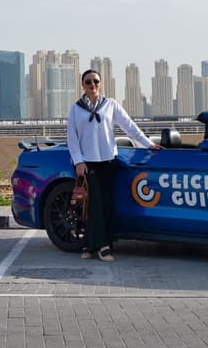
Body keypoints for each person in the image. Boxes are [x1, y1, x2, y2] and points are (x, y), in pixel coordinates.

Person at [66, 69, 160, 261]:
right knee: (93, 205)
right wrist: (78, 161)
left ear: (101, 83)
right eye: (88, 82)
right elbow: (72, 137)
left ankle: (98, 244)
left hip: (108, 161)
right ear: (83, 85)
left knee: (107, 203)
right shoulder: (76, 109)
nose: (92, 85)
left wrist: (147, 143)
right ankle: (100, 246)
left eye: (96, 81)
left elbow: (129, 126)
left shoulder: (110, 105)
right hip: (88, 163)